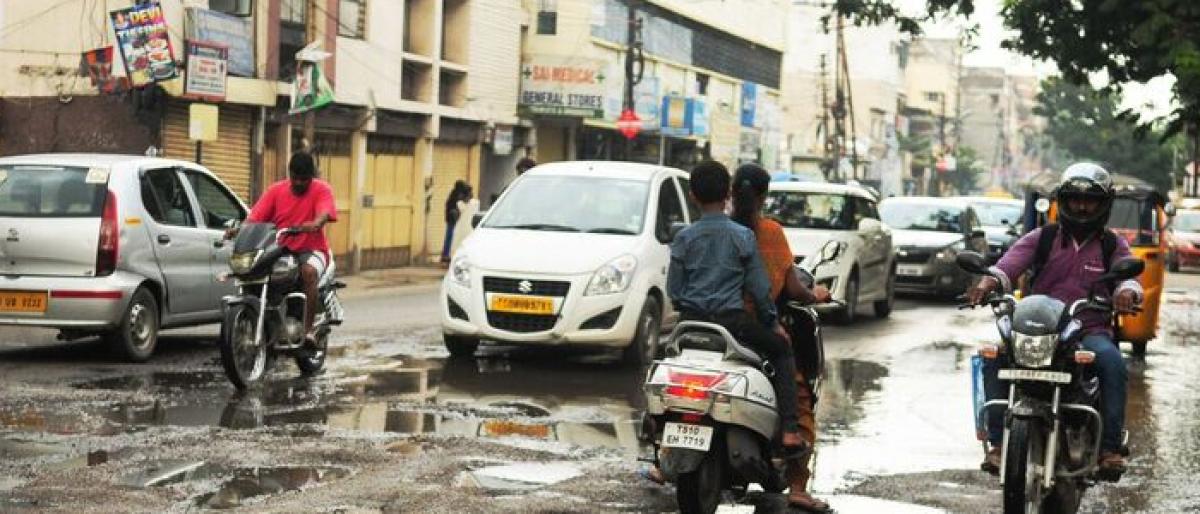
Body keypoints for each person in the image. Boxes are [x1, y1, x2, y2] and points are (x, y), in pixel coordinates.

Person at [966, 162, 1142, 474]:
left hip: (1088, 329)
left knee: (1112, 362)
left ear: (1104, 205)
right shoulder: (1042, 238)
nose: (1083, 207)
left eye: (1091, 201)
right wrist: (987, 283)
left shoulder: (1112, 244)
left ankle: (1110, 449)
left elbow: (1129, 275)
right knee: (994, 355)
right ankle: (997, 444)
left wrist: (1127, 292)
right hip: (1039, 329)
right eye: (1075, 199)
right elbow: (1007, 266)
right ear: (1064, 201)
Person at [667, 160, 809, 456]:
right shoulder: (743, 236)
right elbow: (759, 290)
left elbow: (675, 292)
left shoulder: (683, 237)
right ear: (727, 195)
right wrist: (773, 324)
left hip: (690, 324)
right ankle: (790, 431)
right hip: (733, 323)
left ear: (693, 195)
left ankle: (662, 443)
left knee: (667, 364)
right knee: (782, 352)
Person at [730, 164, 832, 512]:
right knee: (800, 392)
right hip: (754, 330)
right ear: (764, 196)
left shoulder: (707, 231)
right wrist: (815, 294)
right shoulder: (769, 233)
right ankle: (798, 483)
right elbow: (786, 288)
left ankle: (663, 457)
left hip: (703, 324)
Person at [236, 151, 338, 347]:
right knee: (258, 271)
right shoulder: (276, 191)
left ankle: (308, 331)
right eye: (295, 178)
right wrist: (239, 230)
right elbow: (254, 217)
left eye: (304, 179)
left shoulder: (321, 189)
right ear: (289, 174)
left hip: (312, 248)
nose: (299, 183)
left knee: (308, 272)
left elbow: (324, 212)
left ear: (312, 176)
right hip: (280, 249)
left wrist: (316, 223)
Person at [441, 180, 468, 264]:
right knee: (450, 237)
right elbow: (455, 207)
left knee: (450, 237)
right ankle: (446, 255)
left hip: (452, 219)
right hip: (452, 220)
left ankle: (446, 254)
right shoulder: (456, 195)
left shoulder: (454, 194)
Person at [450, 184, 479, 256]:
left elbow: (456, 216)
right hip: (469, 229)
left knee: (459, 249)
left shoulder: (460, 204)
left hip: (463, 229)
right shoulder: (476, 203)